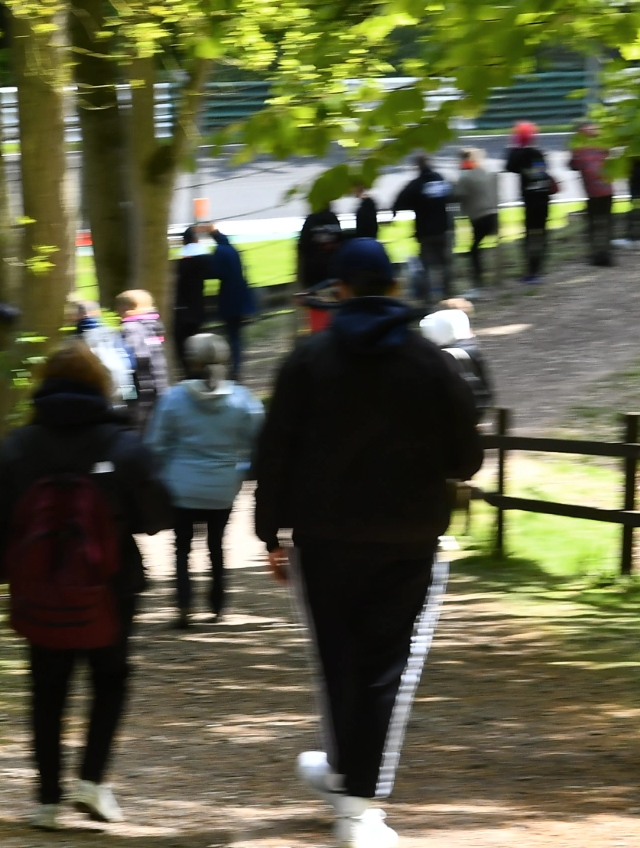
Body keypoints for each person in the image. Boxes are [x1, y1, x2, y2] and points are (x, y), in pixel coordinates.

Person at [253, 238, 483, 848]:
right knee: (384, 666)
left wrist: (269, 531)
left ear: (340, 290)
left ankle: (347, 782)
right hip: (408, 536)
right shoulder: (430, 362)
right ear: (396, 288)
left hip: (325, 539)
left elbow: (275, 452)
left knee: (338, 662)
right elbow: (468, 457)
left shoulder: (307, 361)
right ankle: (356, 800)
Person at [0, 340, 173, 829]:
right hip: (110, 588)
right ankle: (92, 780)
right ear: (101, 385)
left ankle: (46, 798)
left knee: (47, 688)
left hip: (39, 588)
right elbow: (156, 516)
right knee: (110, 680)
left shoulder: (17, 446)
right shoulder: (123, 445)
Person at [147, 333, 263, 627]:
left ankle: (184, 606)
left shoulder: (173, 398)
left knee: (182, 547)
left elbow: (156, 444)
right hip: (223, 487)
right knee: (216, 544)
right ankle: (218, 605)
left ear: (190, 361)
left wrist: (158, 476)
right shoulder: (241, 399)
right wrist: (242, 472)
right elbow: (256, 442)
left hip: (181, 486)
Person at [390, 154, 456, 304]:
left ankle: (426, 298)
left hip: (425, 232)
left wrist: (396, 213)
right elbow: (452, 195)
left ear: (417, 167)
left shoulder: (416, 184)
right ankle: (448, 293)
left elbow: (399, 201)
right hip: (443, 228)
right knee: (445, 263)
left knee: (426, 266)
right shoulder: (440, 180)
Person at [504, 121, 556, 283]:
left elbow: (509, 166)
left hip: (531, 201)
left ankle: (531, 271)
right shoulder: (539, 154)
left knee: (530, 237)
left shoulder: (519, 155)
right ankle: (538, 268)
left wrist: (514, 147)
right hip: (544, 199)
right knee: (540, 235)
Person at [115, 290, 169, 432]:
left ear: (124, 309)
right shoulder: (155, 326)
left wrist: (126, 393)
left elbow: (133, 360)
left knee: (140, 429)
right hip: (160, 384)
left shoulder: (130, 329)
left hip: (139, 389)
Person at [210, 227, 257, 382]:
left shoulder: (220, 251)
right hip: (240, 298)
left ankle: (234, 366)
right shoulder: (232, 249)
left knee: (232, 335)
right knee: (236, 335)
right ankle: (236, 366)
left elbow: (215, 271)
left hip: (229, 299)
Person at [68, 299, 133, 406]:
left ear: (75, 316)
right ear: (98, 313)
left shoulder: (74, 341)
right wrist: (130, 398)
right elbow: (129, 364)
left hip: (93, 398)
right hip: (121, 391)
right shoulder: (115, 334)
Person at [170, 225, 216, 374]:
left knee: (183, 344)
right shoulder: (203, 259)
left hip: (182, 309)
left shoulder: (179, 261)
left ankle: (189, 371)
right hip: (197, 307)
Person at [454, 149, 500, 294]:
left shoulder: (466, 176)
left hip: (480, 217)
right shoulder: (484, 172)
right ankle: (490, 278)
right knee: (477, 246)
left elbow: (456, 194)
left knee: (473, 251)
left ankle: (478, 284)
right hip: (493, 214)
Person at [568, 124, 615, 267]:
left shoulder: (579, 150)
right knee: (606, 222)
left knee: (594, 224)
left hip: (592, 192)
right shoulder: (602, 147)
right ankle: (606, 254)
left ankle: (596, 255)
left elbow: (572, 165)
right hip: (607, 189)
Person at [296, 203, 344, 333]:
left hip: (314, 276)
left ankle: (320, 337)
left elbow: (302, 248)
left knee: (317, 314)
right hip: (334, 275)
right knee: (336, 312)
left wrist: (303, 280)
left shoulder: (310, 221)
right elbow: (341, 244)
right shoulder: (333, 219)